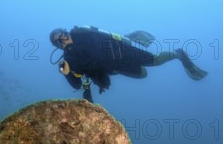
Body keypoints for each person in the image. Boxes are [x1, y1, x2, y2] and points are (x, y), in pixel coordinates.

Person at [49, 26, 208, 102]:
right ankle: (128, 38)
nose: (62, 39)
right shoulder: (69, 59)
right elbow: (77, 84)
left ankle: (178, 54)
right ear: (57, 46)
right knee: (143, 74)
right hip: (117, 67)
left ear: (66, 32)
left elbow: (104, 35)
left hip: (123, 50)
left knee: (156, 61)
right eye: (57, 41)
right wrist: (67, 73)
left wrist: (124, 38)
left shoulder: (82, 33)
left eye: (61, 35)